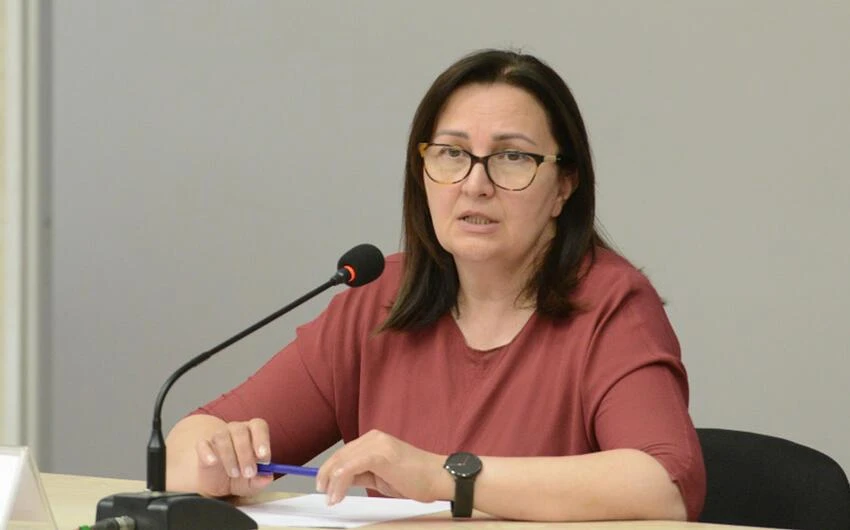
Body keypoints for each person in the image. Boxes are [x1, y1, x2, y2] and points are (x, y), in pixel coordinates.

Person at [165, 49, 706, 522]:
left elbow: (664, 484)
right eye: (452, 154)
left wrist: (445, 477)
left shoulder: (611, 304)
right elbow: (182, 451)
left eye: (512, 157)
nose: (475, 184)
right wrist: (216, 464)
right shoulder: (380, 299)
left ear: (564, 185)